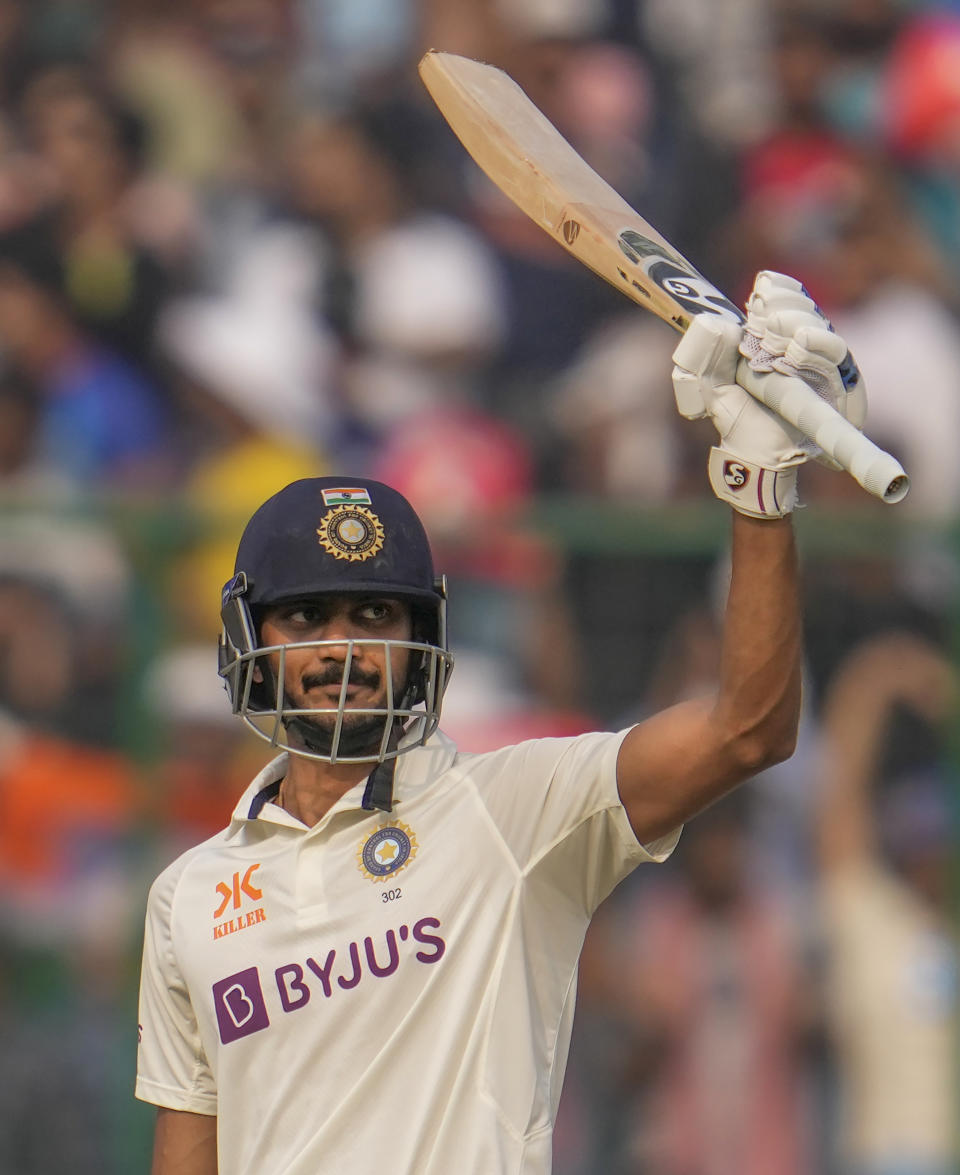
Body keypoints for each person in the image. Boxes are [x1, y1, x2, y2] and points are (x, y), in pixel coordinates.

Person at [135, 270, 865, 1173]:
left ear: (422, 641)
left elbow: (749, 727)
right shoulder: (191, 895)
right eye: (307, 616)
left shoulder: (513, 812)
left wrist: (758, 487)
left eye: (374, 617)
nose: (342, 649)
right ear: (250, 636)